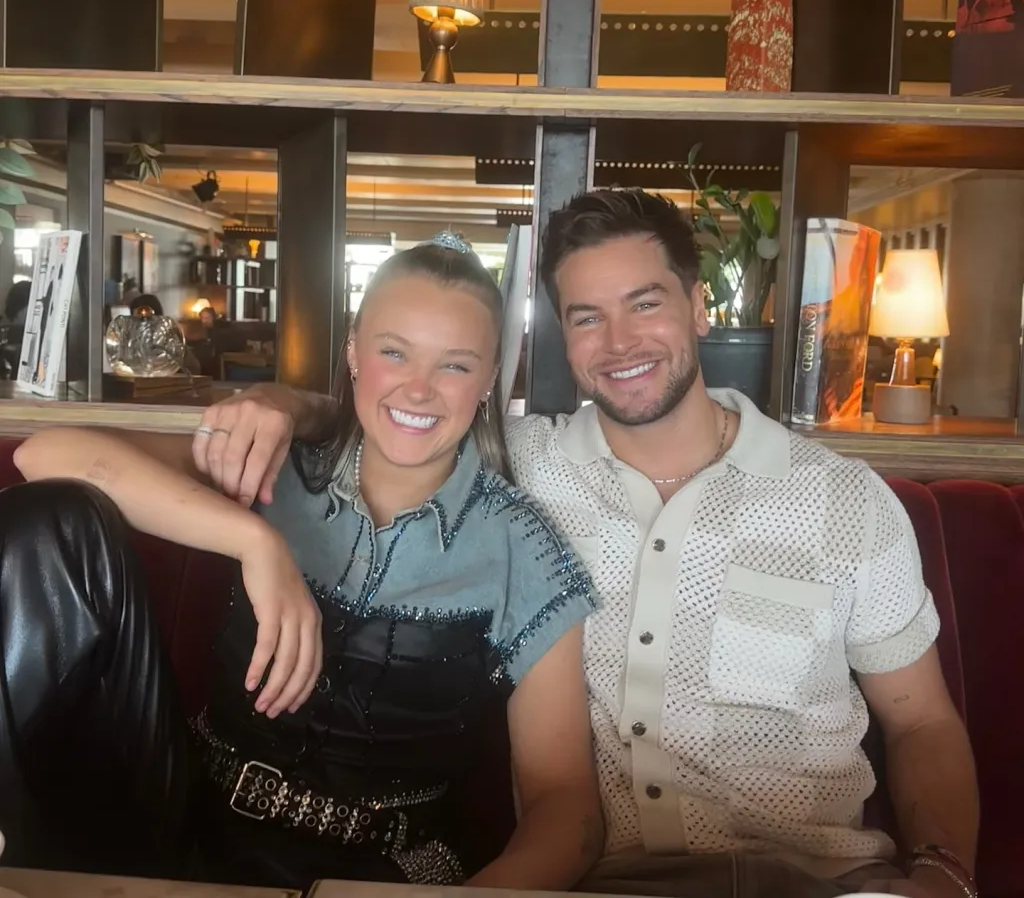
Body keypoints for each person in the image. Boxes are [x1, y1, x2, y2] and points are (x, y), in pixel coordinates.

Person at [203, 191, 980, 898]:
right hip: (614, 884)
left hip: (827, 879)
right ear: (562, 338)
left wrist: (944, 877)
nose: (619, 342)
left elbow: (924, 724)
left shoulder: (844, 501)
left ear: (700, 306)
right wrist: (276, 406)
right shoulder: (520, 468)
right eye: (586, 317)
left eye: (645, 304)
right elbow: (398, 410)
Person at [0, 236, 602, 894]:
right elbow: (47, 456)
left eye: (455, 366)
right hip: (184, 812)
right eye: (393, 352)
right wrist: (258, 544)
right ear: (352, 352)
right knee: (50, 522)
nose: (419, 389)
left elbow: (565, 800)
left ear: (490, 379)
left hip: (383, 867)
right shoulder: (275, 469)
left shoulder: (524, 546)